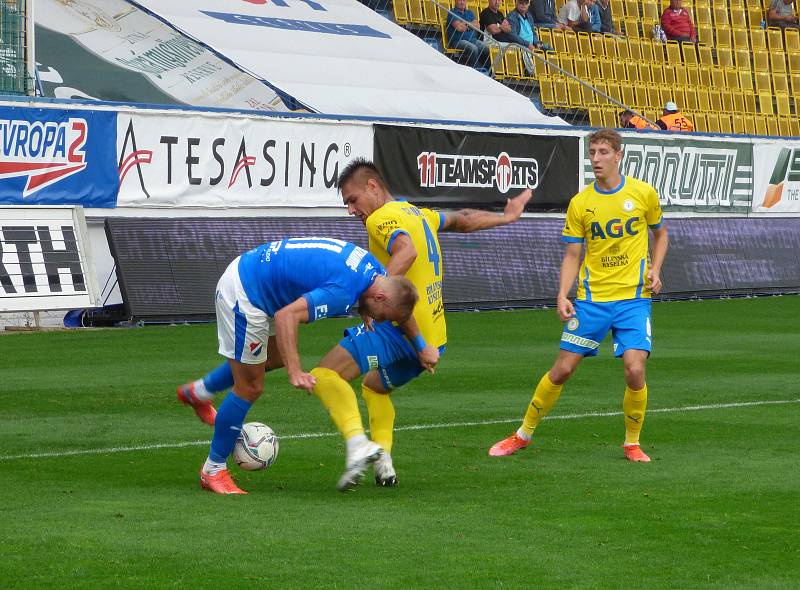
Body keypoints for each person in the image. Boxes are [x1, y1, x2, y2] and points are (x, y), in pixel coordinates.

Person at [312, 159, 532, 486]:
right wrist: (507, 217)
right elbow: (462, 220)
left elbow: (407, 250)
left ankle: (358, 445)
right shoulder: (418, 213)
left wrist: (373, 295)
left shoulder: (381, 218)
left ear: (373, 187)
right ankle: (383, 460)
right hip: (433, 340)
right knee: (374, 387)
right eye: (346, 204)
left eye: (352, 199)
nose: (351, 210)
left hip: (397, 330)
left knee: (324, 375)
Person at [489, 128, 668, 463]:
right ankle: (522, 434)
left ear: (619, 155)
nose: (596, 159)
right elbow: (573, 254)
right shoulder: (581, 203)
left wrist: (656, 270)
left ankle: (632, 443)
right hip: (591, 300)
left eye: (603, 152)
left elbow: (661, 235)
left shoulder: (644, 194)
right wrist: (562, 294)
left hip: (633, 299)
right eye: (592, 152)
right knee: (562, 370)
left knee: (634, 369)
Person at [186, 237, 419, 494]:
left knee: (270, 357)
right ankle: (213, 469)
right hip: (245, 293)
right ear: (380, 297)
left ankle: (199, 392)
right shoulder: (342, 292)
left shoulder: (373, 269)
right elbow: (287, 316)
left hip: (256, 275)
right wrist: (295, 370)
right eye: (381, 315)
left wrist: (366, 309)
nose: (377, 319)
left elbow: (363, 294)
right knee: (250, 386)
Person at [446, 0, 491, 69]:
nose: (462, 2)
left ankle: (486, 70)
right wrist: (470, 24)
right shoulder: (452, 12)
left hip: (472, 40)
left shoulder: (470, 12)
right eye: (459, 0)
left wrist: (465, 24)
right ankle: (473, 70)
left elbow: (477, 26)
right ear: (455, 1)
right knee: (473, 48)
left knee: (486, 48)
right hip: (457, 41)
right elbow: (459, 28)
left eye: (464, 0)